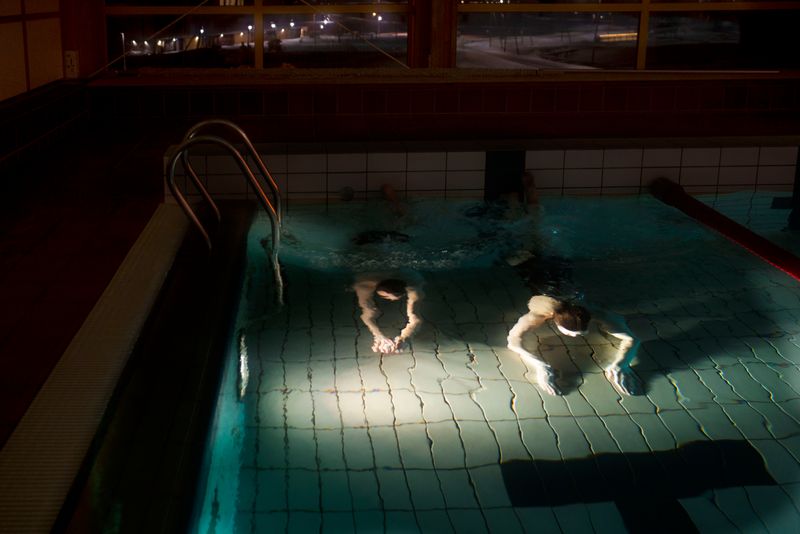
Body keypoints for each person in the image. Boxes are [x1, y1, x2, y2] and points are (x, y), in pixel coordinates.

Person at [507, 295, 641, 396]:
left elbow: (632, 338)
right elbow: (512, 340)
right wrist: (541, 366)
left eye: (582, 333)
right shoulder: (538, 314)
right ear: (555, 321)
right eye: (571, 334)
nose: (575, 337)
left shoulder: (601, 314)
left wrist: (621, 364)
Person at [354, 274, 423, 354]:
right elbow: (366, 316)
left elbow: (415, 317)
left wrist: (404, 338)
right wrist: (378, 335)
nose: (390, 300)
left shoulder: (414, 287)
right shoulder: (365, 286)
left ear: (404, 293)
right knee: (370, 309)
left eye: (388, 297)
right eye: (385, 297)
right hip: (366, 275)